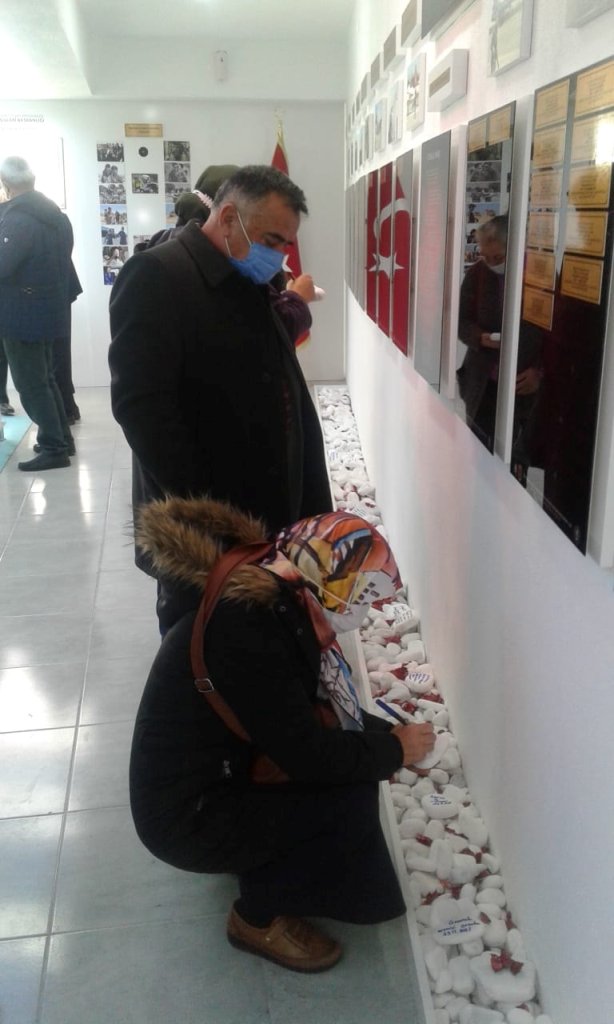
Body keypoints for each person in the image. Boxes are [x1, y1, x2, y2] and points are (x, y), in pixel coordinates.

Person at [130, 497, 436, 971]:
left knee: (352, 765)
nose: (363, 612)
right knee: (346, 798)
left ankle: (258, 853)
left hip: (208, 776)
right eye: (359, 597)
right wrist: (393, 749)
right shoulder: (252, 634)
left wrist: (384, 734)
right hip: (186, 819)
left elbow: (306, 711)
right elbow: (309, 754)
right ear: (325, 586)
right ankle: (256, 918)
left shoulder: (269, 599)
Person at [109, 164, 332, 625]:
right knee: (202, 638)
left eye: (285, 245)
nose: (278, 256)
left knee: (259, 635)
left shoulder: (247, 275)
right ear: (229, 217)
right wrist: (212, 516)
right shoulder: (157, 274)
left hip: (263, 507)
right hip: (206, 524)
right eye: (271, 240)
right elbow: (142, 408)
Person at [0, 156, 77, 470]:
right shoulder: (54, 214)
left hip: (22, 315)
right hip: (48, 309)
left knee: (31, 384)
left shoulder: (18, 219)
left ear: (6, 185)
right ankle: (62, 440)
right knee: (46, 378)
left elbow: (3, 265)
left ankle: (53, 447)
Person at [457, 215, 542, 454]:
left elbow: (555, 335)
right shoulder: (477, 273)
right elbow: (461, 321)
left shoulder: (540, 274)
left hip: (523, 385)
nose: (491, 263)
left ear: (516, 248)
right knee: (479, 451)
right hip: (484, 383)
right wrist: (479, 338)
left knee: (517, 455)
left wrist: (540, 372)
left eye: (498, 257)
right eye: (486, 256)